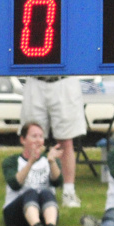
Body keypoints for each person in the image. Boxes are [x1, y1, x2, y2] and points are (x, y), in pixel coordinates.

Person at [19, 76, 87, 208]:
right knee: (33, 137)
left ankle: (69, 192)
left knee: (66, 141)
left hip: (64, 80)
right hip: (35, 81)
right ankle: (30, 189)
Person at [1, 123, 62, 226]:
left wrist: (52, 162)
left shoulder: (49, 160)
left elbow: (58, 182)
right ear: (23, 140)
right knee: (31, 192)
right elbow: (15, 184)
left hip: (43, 209)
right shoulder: (11, 161)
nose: (38, 140)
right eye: (34, 136)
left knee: (46, 192)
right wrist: (30, 162)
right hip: (15, 215)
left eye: (41, 136)